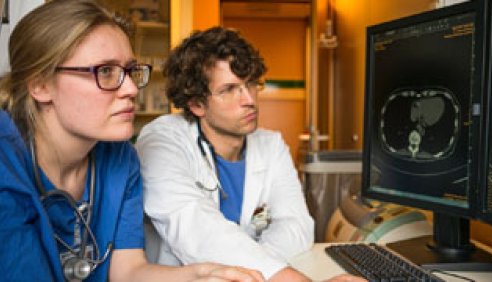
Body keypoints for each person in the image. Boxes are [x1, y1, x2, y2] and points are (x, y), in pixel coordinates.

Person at [0, 1, 264, 281]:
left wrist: (200, 274)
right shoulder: (6, 166)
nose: (130, 89)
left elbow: (127, 270)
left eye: (130, 71)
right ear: (40, 84)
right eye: (105, 72)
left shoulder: (120, 160)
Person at [136, 27, 366, 282]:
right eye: (229, 89)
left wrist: (257, 266)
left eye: (251, 84)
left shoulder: (271, 145)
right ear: (196, 104)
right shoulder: (162, 140)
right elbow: (194, 227)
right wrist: (278, 275)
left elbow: (297, 224)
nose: (249, 100)